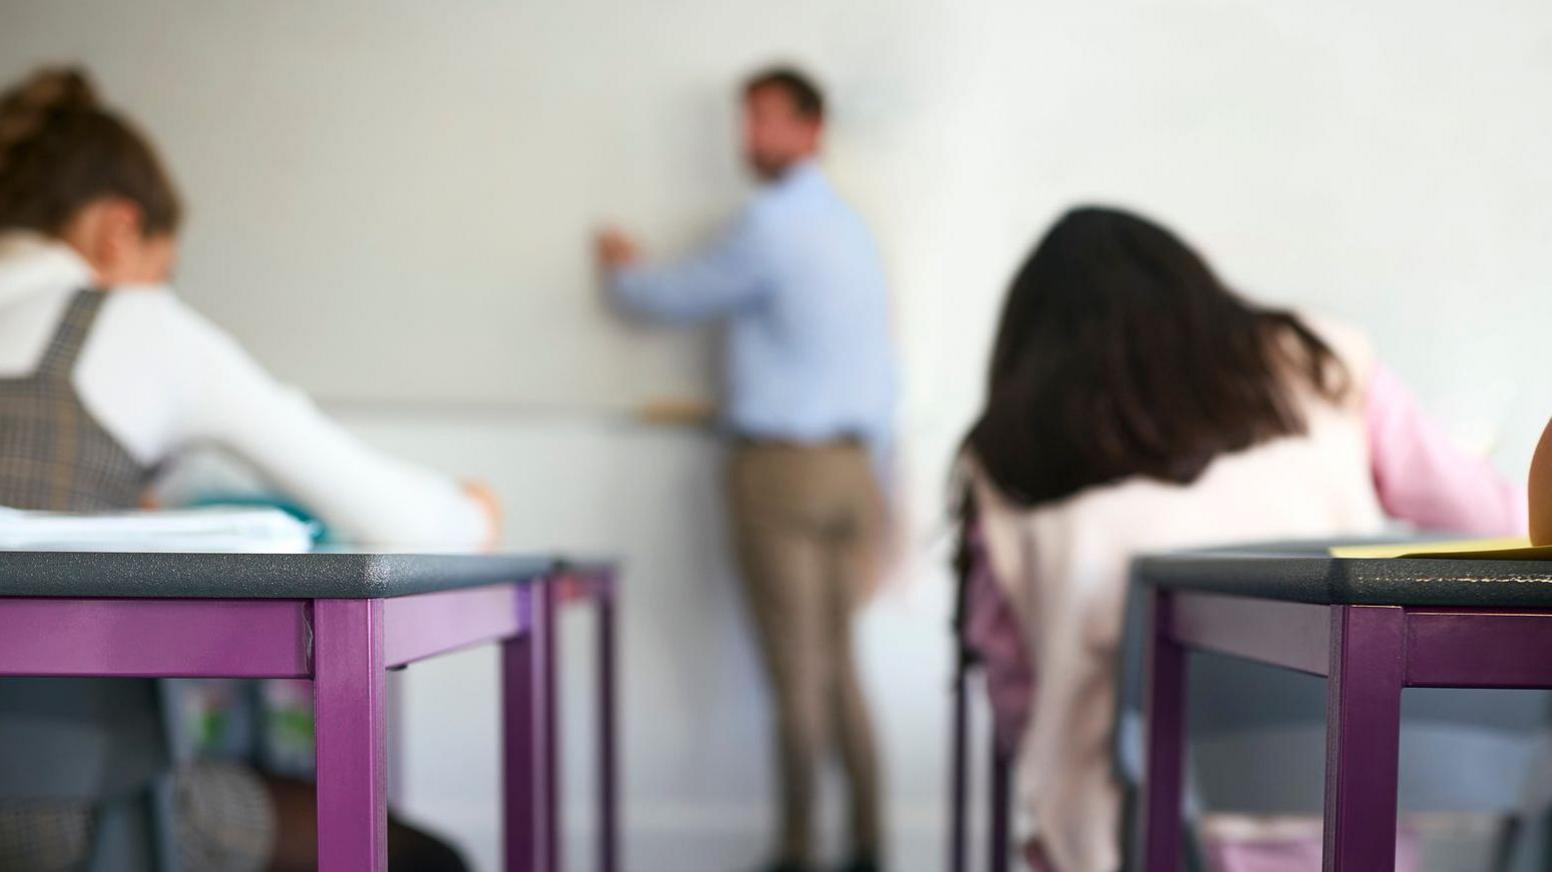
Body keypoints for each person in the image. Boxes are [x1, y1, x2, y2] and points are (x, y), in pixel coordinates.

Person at [0, 66, 496, 871]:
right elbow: (407, 524)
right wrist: (474, 512)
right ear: (116, 233)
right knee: (423, 856)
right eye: (164, 268)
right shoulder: (129, 322)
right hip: (68, 812)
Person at [954, 206, 1525, 871]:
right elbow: (1503, 521)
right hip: (1350, 800)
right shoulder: (1320, 361)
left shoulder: (1005, 453)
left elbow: (1012, 677)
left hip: (1130, 825)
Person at [596, 66, 895, 872]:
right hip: (854, 469)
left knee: (796, 670)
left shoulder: (767, 224)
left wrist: (625, 270)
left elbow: (669, 297)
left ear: (811, 129)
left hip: (782, 471)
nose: (749, 139)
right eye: (746, 120)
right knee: (840, 667)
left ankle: (798, 851)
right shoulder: (853, 230)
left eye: (765, 120)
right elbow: (885, 375)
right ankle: (868, 843)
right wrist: (887, 494)